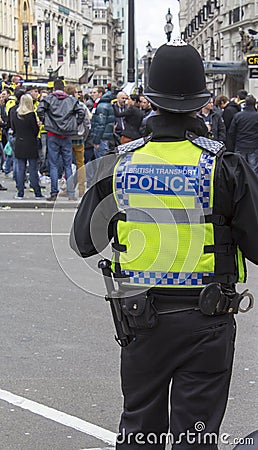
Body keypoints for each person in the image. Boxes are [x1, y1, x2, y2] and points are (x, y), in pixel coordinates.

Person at [70, 40, 258, 449]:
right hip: (207, 318)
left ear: (150, 99)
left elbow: (83, 242)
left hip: (142, 319)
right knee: (196, 436)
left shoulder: (119, 164)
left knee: (140, 431)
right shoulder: (224, 166)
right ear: (201, 102)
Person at [37, 79, 85, 201]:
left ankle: (54, 192)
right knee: (67, 165)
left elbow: (40, 110)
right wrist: (74, 123)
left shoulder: (48, 99)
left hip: (53, 134)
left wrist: (46, 121)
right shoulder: (71, 100)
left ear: (53, 88)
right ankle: (70, 193)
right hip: (67, 135)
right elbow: (81, 112)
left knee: (53, 165)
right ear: (63, 88)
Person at [11, 94, 44, 199]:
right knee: (33, 169)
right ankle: (37, 192)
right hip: (30, 143)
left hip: (19, 143)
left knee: (21, 169)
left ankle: (20, 192)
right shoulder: (31, 115)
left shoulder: (15, 114)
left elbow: (14, 129)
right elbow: (35, 131)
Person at [227, 94, 258, 176]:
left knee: (240, 169)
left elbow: (231, 132)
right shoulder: (256, 116)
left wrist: (231, 145)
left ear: (245, 104)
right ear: (254, 104)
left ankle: (240, 187)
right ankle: (253, 187)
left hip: (240, 145)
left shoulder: (238, 116)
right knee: (253, 169)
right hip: (254, 146)